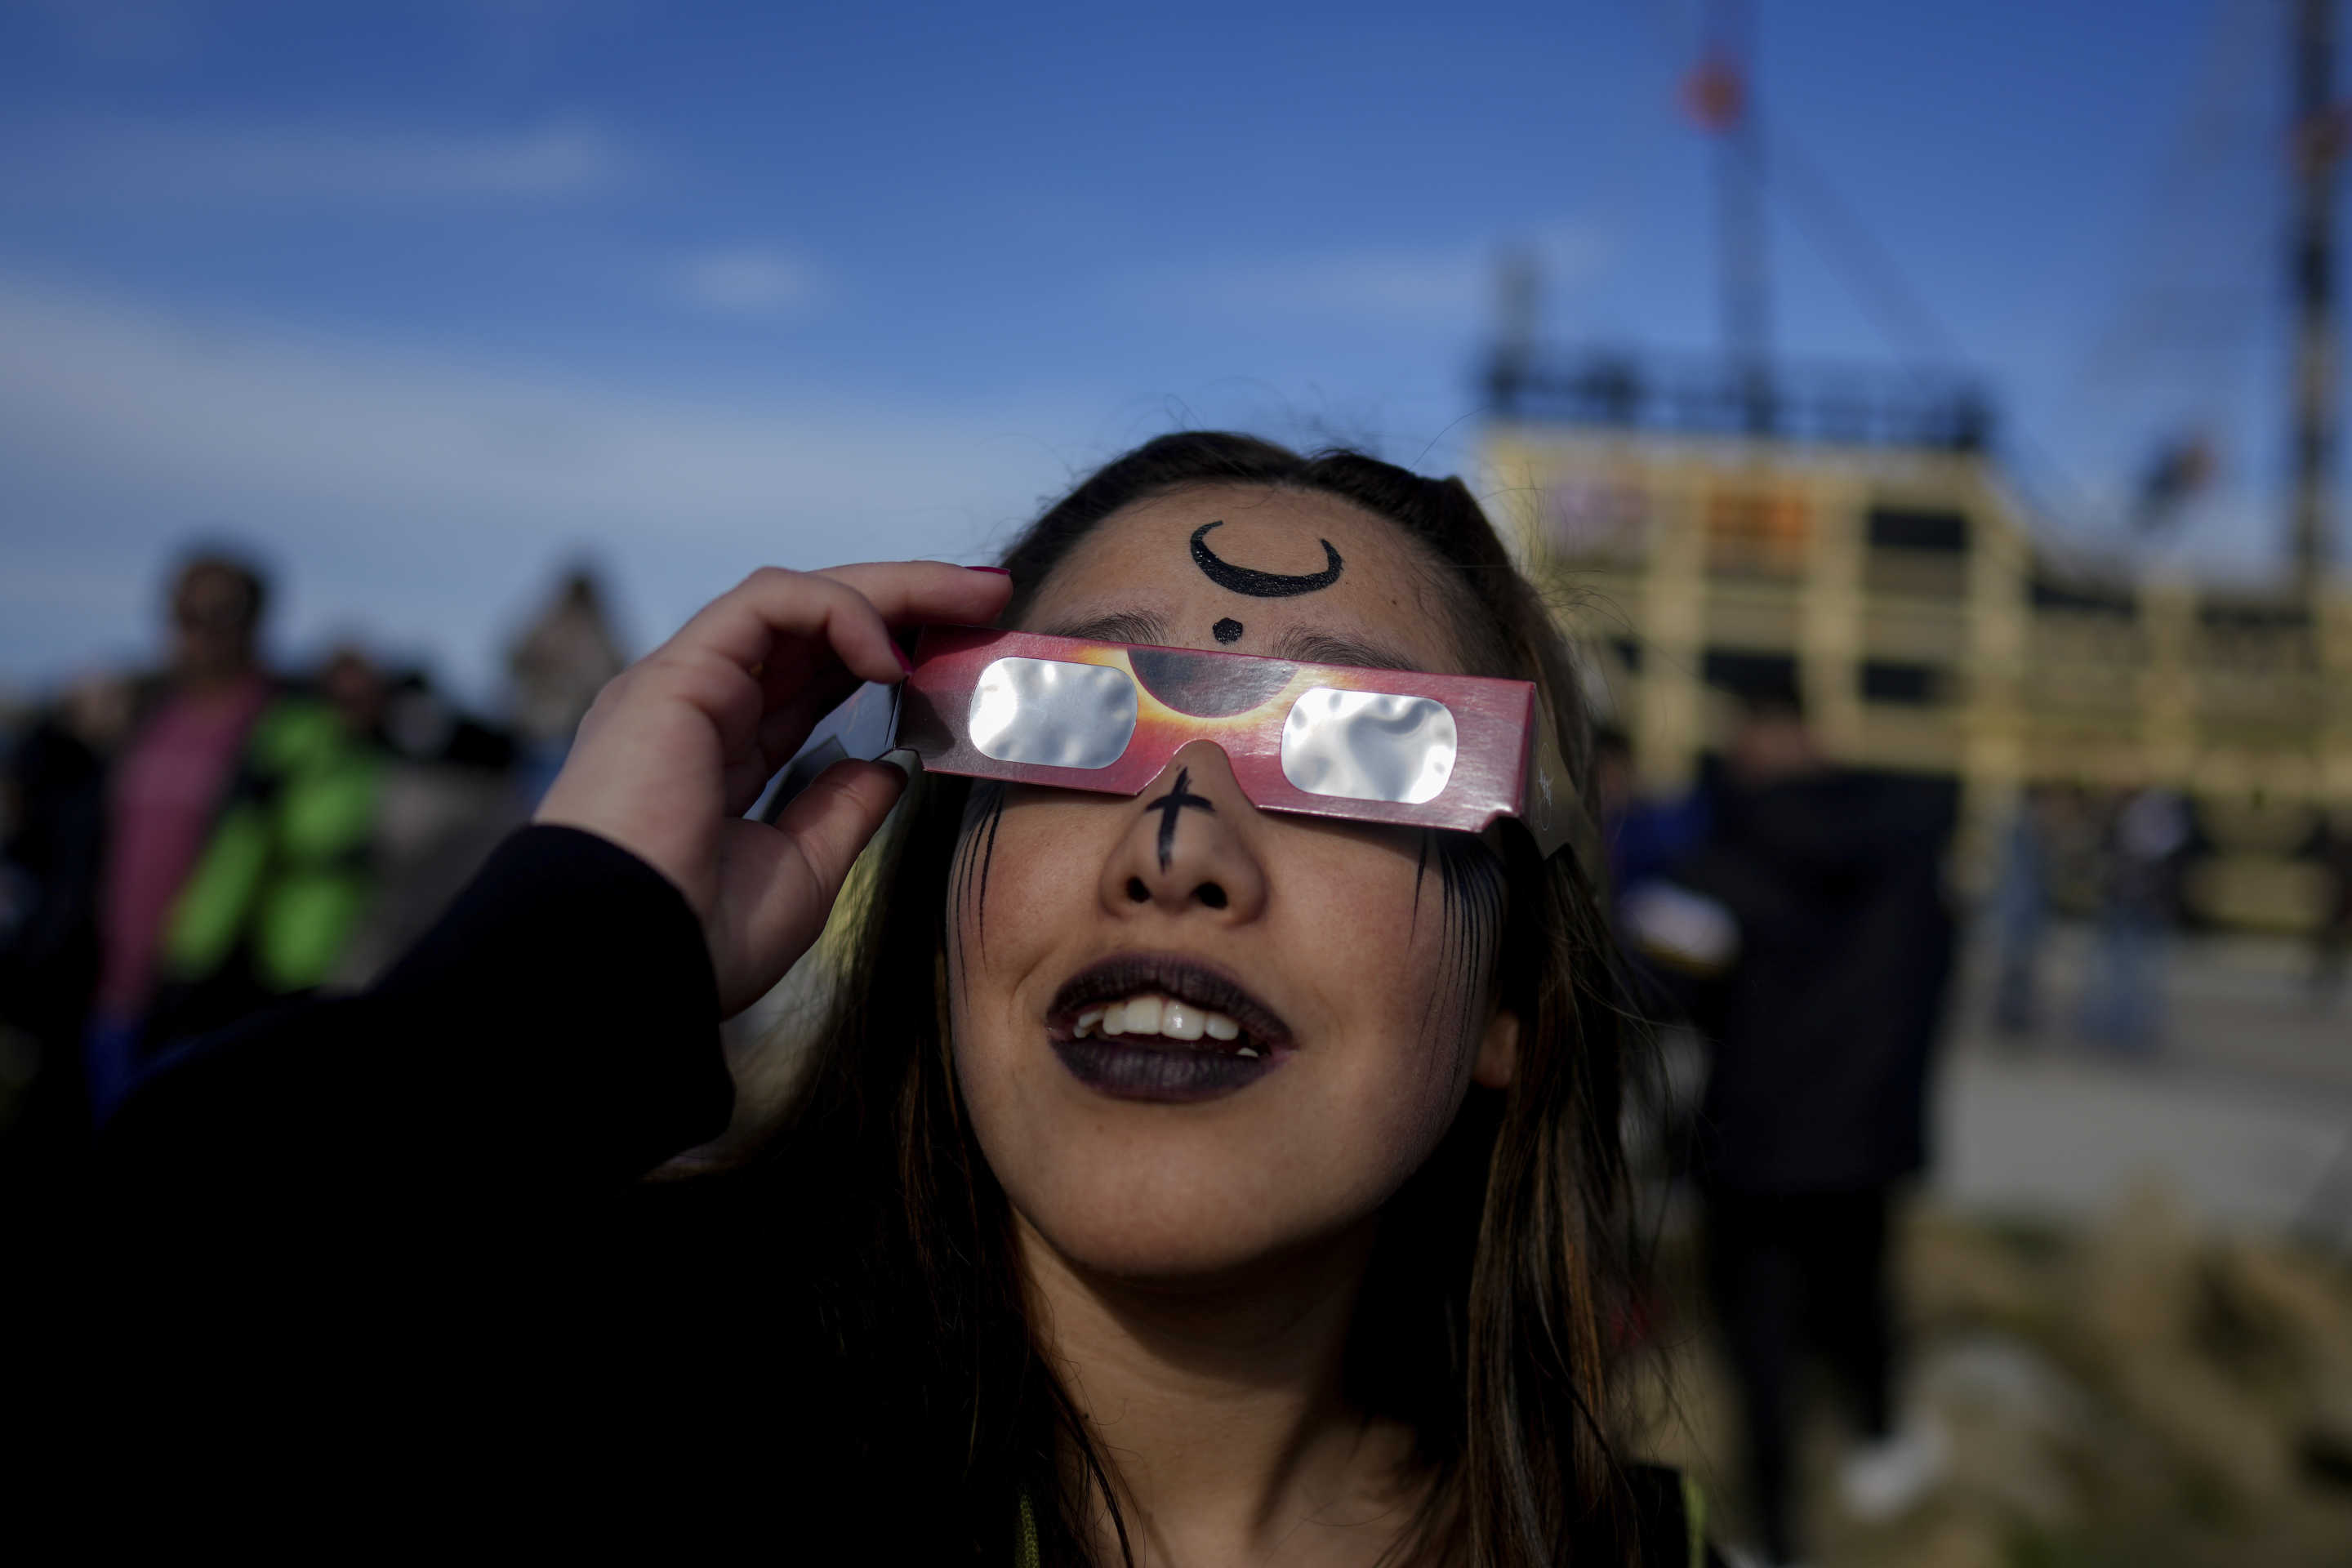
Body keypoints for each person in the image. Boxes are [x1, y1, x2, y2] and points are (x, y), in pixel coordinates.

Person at [79, 435, 1717, 1565]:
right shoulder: (602, 1413)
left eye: (1366, 749)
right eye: (1073, 722)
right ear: (941, 895)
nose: (1182, 850)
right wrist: (574, 954)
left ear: (1514, 996)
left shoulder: (1628, 1551)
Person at [1665, 687, 1954, 1568]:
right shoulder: (1909, 850)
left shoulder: (1725, 858)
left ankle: (1776, 1537)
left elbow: (1661, 992)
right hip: (1867, 1141)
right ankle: (1880, 1440)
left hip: (1751, 1146)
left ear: (1753, 744)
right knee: (1860, 1300)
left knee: (1759, 1350)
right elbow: (1935, 989)